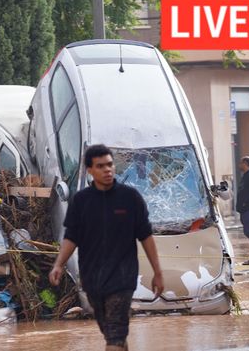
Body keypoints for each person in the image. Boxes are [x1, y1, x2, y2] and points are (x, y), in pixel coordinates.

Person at [48, 144, 164, 351]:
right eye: (101, 166)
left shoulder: (130, 198)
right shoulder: (81, 201)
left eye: (110, 165)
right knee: (111, 333)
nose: (108, 170)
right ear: (90, 170)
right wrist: (58, 265)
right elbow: (71, 237)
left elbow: (146, 237)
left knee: (115, 336)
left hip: (122, 278)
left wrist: (158, 272)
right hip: (92, 280)